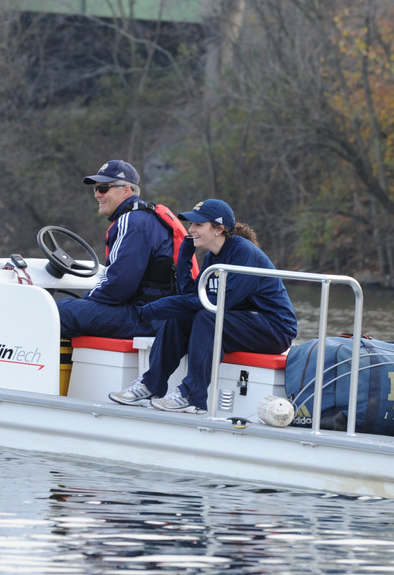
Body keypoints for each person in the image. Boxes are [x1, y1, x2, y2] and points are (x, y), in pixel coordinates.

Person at [109, 199, 297, 413]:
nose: (191, 229)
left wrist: (152, 309)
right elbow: (191, 296)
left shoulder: (244, 254)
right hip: (242, 323)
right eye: (191, 224)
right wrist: (185, 255)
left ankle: (192, 396)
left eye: (198, 224)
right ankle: (151, 385)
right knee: (180, 317)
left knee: (207, 318)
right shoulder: (212, 258)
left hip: (274, 329)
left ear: (218, 229)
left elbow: (217, 303)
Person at [56, 160, 179, 339]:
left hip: (147, 316)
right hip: (159, 313)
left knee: (60, 311)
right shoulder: (146, 218)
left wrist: (87, 300)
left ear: (126, 191)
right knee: (75, 309)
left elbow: (119, 286)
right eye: (95, 189)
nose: (97, 195)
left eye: (104, 188)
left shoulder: (132, 222)